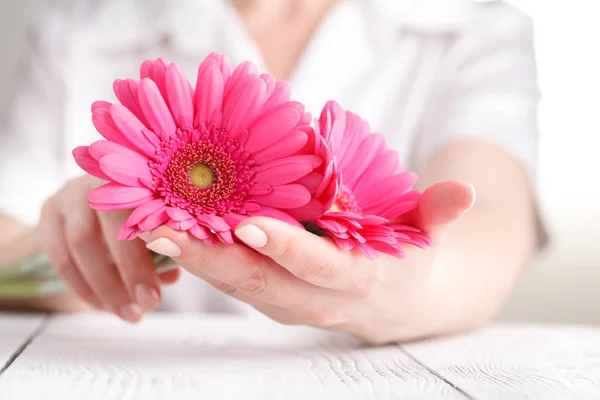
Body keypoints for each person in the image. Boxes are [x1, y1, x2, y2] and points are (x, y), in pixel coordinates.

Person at [0, 0, 543, 344]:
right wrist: (68, 251)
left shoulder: (476, 23)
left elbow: (491, 219)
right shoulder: (76, 25)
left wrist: (414, 287)